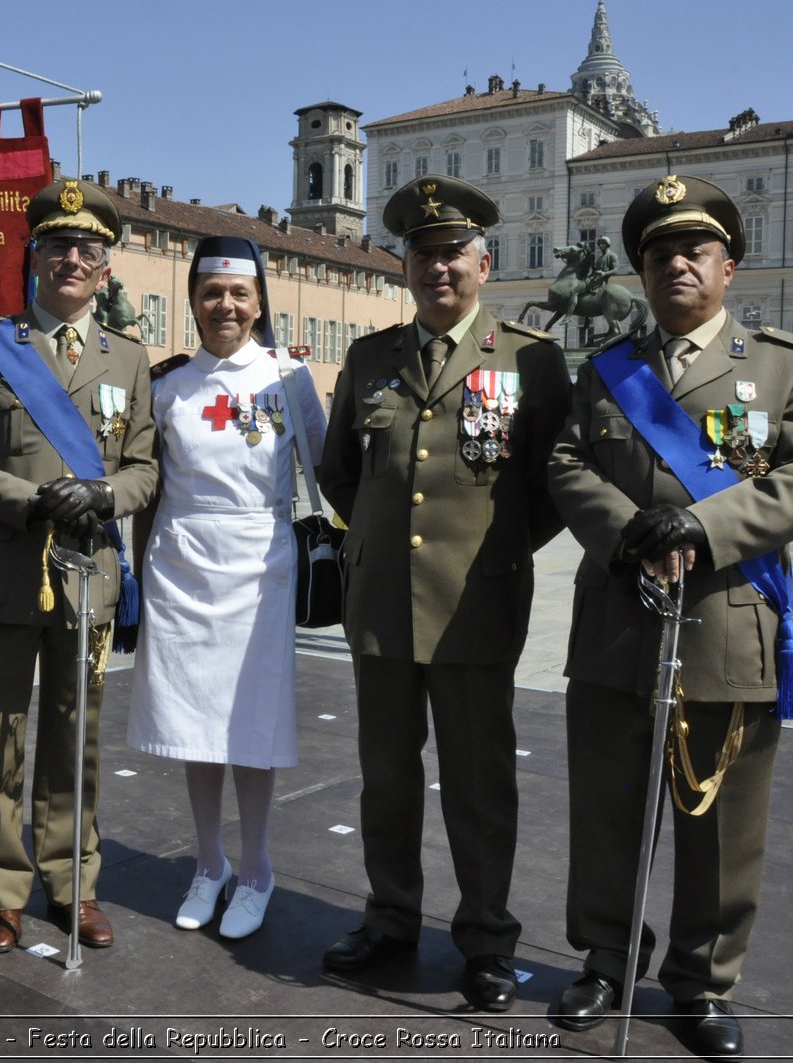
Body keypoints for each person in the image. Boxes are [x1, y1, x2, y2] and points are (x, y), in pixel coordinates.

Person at [546, 175, 793, 1061]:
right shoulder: (605, 370)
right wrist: (628, 529)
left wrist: (703, 526)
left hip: (727, 621)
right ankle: (604, 958)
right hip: (616, 621)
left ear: (728, 267)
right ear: (640, 271)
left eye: (694, 250)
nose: (676, 263)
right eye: (659, 253)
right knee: (606, 807)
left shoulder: (789, 364)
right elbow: (565, 463)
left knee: (723, 821)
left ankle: (702, 980)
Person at [317, 174, 572, 1012]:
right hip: (382, 607)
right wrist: (388, 547)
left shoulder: (530, 359)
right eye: (423, 255)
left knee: (478, 783)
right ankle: (391, 917)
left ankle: (488, 939)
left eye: (452, 253)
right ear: (406, 268)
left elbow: (550, 488)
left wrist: (491, 554)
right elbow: (340, 475)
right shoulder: (369, 359)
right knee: (385, 778)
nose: (438, 268)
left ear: (483, 263)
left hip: (477, 606)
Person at [0, 178, 157, 954]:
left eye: (87, 249)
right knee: (0, 738)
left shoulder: (127, 357)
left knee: (76, 737)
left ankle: (73, 882)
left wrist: (101, 491)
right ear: (34, 256)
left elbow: (145, 468)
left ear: (104, 267)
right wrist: (31, 501)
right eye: (58, 245)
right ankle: (1, 888)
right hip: (7, 568)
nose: (72, 259)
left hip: (88, 574)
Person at [126, 236, 326, 939]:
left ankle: (256, 869)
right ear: (192, 302)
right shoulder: (168, 386)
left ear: (260, 301)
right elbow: (147, 489)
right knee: (196, 726)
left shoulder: (287, 379)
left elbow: (330, 471)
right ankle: (207, 864)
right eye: (212, 293)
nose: (226, 306)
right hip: (182, 564)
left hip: (259, 567)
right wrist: (135, 575)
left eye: (239, 293)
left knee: (251, 729)